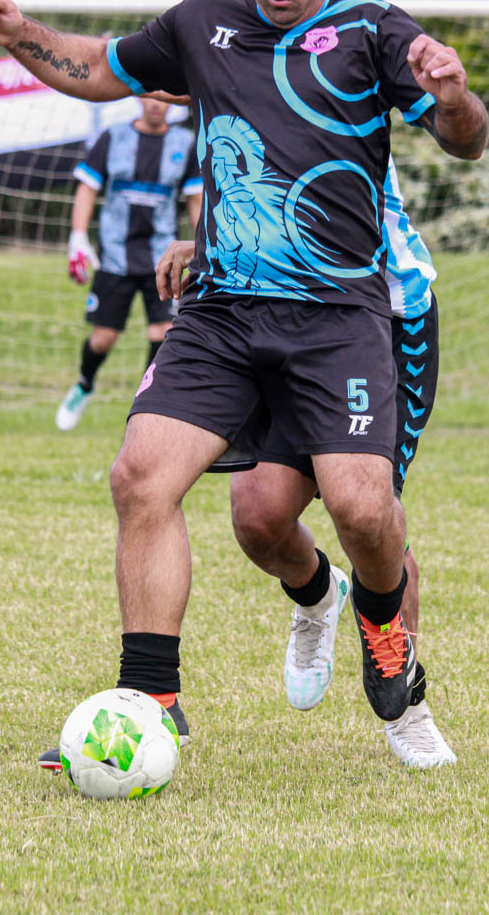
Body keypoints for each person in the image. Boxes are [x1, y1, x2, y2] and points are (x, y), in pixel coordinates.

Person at [0, 0, 488, 759]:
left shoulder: (374, 32)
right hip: (224, 311)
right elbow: (99, 67)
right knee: (156, 483)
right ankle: (149, 699)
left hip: (342, 314)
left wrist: (454, 94)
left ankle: (393, 662)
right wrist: (19, 33)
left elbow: (465, 139)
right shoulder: (204, 24)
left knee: (361, 510)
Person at [157, 154, 456, 768]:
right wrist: (212, 248)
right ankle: (318, 594)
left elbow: (318, 192)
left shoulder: (341, 92)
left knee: (371, 517)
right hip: (287, 312)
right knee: (258, 517)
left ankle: (407, 708)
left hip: (382, 316)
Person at [55, 96, 203, 431]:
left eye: (163, 97)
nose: (156, 104)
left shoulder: (185, 143)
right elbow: (87, 189)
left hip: (162, 260)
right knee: (103, 338)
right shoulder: (113, 137)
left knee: (163, 333)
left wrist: (203, 249)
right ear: (139, 96)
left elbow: (196, 200)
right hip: (115, 257)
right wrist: (77, 237)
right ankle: (84, 384)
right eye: (150, 95)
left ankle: (145, 407)